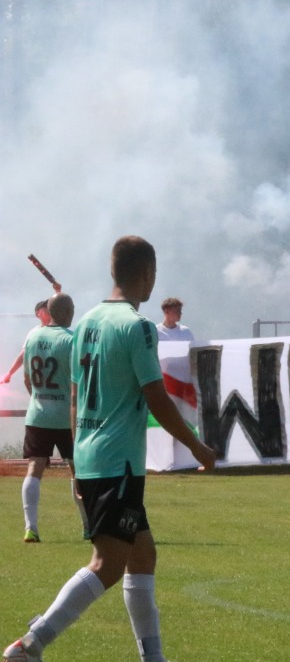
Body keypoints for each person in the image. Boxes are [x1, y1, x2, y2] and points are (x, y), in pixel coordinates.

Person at [4, 236, 215, 662]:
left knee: (143, 553)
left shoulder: (86, 323)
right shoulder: (137, 327)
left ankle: (152, 657)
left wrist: (77, 459)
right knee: (108, 565)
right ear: (147, 274)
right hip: (118, 462)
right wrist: (197, 446)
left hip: (94, 458)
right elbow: (156, 397)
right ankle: (31, 644)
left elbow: (77, 397)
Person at [18, 294, 83, 543]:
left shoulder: (33, 336)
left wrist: (38, 399)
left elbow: (26, 378)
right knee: (78, 470)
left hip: (38, 414)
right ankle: (88, 526)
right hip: (67, 416)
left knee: (34, 468)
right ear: (66, 311)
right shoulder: (72, 339)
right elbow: (80, 382)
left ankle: (30, 528)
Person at [2, 301, 52, 386]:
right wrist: (9, 373)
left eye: (49, 306)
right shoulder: (33, 333)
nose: (48, 308)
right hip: (40, 384)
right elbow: (23, 356)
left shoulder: (59, 330)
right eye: (45, 307)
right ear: (38, 313)